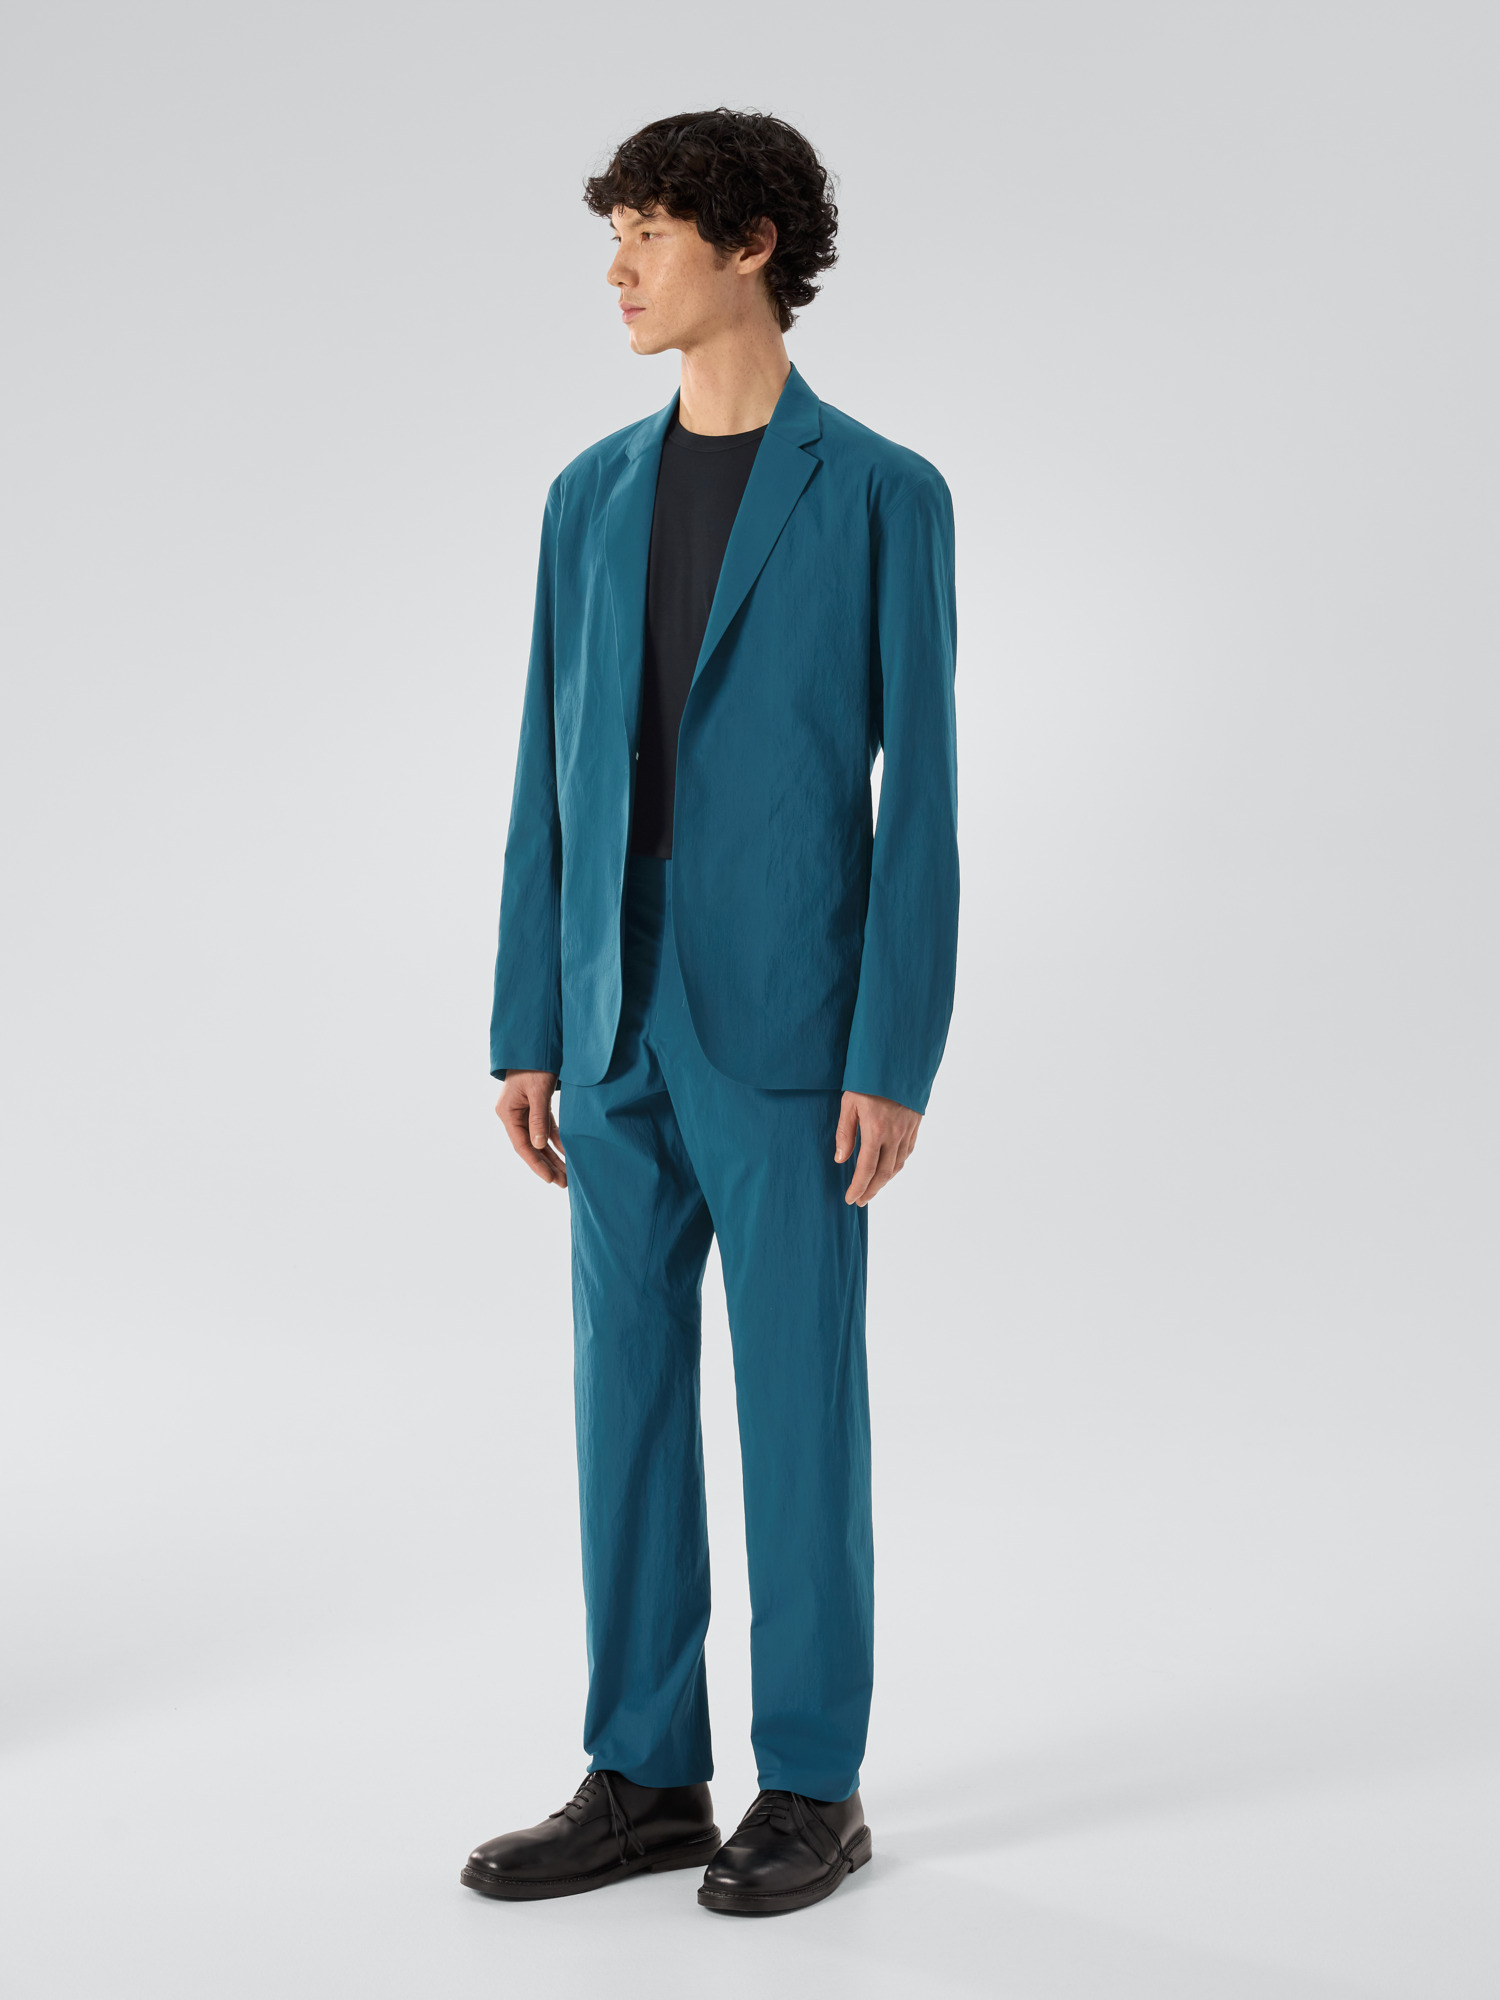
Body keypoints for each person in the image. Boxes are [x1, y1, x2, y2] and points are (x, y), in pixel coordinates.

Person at [461, 108, 958, 1917]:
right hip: (610, 1016)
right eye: (615, 236)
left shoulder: (883, 492)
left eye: (649, 234)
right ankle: (646, 1773)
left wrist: (893, 1051)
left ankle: (812, 1782)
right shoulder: (585, 495)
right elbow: (549, 768)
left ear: (749, 246)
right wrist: (528, 1019)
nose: (617, 270)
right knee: (624, 1397)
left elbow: (926, 800)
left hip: (795, 1026)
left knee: (798, 1403)